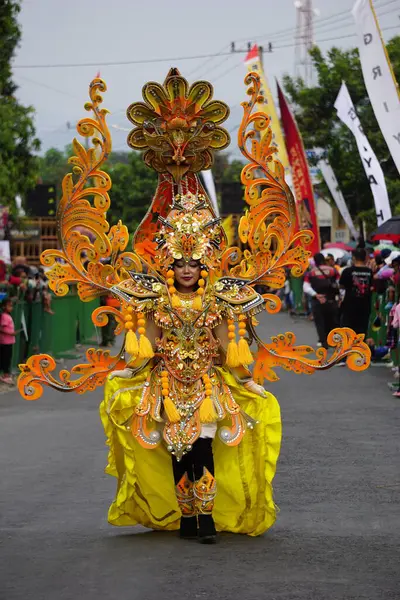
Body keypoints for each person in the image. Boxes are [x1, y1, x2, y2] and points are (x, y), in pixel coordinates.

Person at [17, 69, 370, 545]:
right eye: (178, 263)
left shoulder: (218, 300)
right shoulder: (154, 300)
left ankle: (203, 519)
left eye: (192, 263)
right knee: (175, 453)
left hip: (205, 385)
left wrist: (247, 380)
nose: (185, 269)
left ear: (202, 266)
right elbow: (145, 346)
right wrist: (126, 370)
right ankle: (186, 518)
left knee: (202, 448)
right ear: (170, 265)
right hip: (164, 385)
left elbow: (231, 346)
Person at [303, 253, 339, 347]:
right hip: (331, 299)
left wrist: (316, 295)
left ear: (315, 261)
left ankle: (323, 342)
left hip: (317, 300)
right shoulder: (333, 270)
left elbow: (306, 287)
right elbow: (339, 284)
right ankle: (332, 340)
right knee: (331, 320)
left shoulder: (311, 272)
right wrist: (340, 297)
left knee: (319, 321)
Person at [339, 248, 373, 336]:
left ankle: (349, 348)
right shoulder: (370, 272)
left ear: (353, 258)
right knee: (361, 331)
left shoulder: (347, 271)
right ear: (365, 258)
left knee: (348, 331)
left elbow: (341, 285)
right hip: (365, 305)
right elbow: (372, 287)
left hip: (350, 305)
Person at [0, 298, 16, 384]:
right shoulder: (4, 316)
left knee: (7, 358)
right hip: (5, 342)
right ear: (3, 307)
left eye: (11, 306)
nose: (11, 308)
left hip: (9, 341)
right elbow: (2, 329)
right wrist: (11, 333)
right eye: (9, 306)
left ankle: (5, 374)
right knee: (5, 358)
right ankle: (5, 375)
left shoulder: (8, 316)